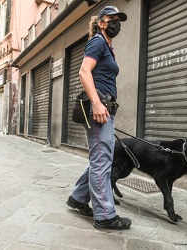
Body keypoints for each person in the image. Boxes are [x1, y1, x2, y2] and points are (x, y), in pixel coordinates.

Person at [66, 6, 131, 230]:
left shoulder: (107, 47)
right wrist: (96, 103)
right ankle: (105, 215)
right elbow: (84, 72)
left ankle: (78, 197)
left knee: (101, 158)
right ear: (101, 22)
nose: (116, 23)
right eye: (111, 19)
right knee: (102, 160)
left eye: (118, 20)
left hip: (105, 108)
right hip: (99, 109)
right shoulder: (98, 42)